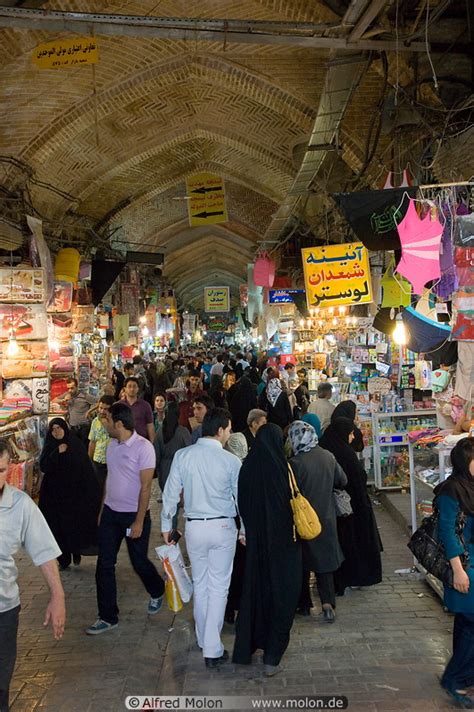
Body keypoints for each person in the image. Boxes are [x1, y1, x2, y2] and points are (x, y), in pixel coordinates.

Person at [161, 408, 241, 669]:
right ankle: (212, 648)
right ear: (220, 430)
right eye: (228, 429)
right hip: (222, 528)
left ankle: (204, 640)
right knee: (219, 587)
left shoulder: (184, 456)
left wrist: (166, 524)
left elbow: (171, 492)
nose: (229, 434)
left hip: (194, 528)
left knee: (201, 584)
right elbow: (241, 500)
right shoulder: (231, 461)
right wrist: (245, 530)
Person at [86, 403, 165, 634]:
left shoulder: (144, 448)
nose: (103, 422)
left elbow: (146, 487)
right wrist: (102, 509)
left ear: (119, 423)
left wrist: (139, 520)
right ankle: (108, 616)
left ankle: (157, 588)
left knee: (138, 561)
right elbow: (110, 479)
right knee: (104, 565)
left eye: (106, 419)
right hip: (111, 514)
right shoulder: (111, 445)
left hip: (134, 515)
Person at [0, 440, 66, 712]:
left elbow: (43, 551)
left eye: (1, 470)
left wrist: (57, 595)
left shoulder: (20, 505)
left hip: (4, 610)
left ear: (9, 468)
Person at [233, 423, 302, 676]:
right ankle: (272, 656)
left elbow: (241, 504)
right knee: (283, 597)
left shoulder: (247, 468)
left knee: (256, 594)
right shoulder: (284, 469)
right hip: (285, 546)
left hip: (255, 547)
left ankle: (248, 646)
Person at [288, 421, 346, 622]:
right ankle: (328, 604)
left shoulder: (294, 463)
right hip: (327, 518)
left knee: (303, 561)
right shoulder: (328, 456)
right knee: (324, 564)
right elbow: (342, 480)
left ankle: (303, 604)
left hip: (303, 520)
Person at [320, 417, 382, 595]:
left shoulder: (329, 448)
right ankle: (353, 576)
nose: (352, 437)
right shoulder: (344, 454)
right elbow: (353, 479)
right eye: (349, 433)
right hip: (349, 507)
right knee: (352, 541)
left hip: (336, 508)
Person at [436, 437, 474, 708]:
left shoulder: (469, 487)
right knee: (471, 624)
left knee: (466, 624)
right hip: (465, 566)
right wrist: (459, 571)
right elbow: (447, 533)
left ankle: (462, 678)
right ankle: (455, 678)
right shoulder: (452, 491)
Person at [39, 418, 101, 571]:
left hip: (73, 497)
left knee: (73, 526)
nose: (56, 432)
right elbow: (44, 466)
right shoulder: (49, 446)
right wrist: (56, 453)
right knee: (57, 527)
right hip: (54, 497)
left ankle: (76, 550)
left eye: (59, 428)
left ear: (65, 428)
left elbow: (84, 469)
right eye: (53, 429)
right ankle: (64, 558)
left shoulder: (75, 444)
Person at [224, 433, 248, 625]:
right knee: (240, 570)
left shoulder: (223, 465)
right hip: (240, 531)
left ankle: (228, 610)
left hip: (225, 526)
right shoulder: (245, 468)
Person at [154, 401, 192, 493]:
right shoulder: (183, 432)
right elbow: (189, 454)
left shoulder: (159, 432)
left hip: (164, 470)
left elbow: (156, 456)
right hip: (180, 470)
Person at [88, 395, 115, 495]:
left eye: (106, 409)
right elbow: (92, 442)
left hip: (113, 462)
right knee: (98, 489)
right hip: (98, 460)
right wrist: (89, 460)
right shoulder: (95, 421)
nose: (102, 411)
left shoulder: (117, 422)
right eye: (100, 408)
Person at [60, 377, 96, 444]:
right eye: (68, 388)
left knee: (84, 449)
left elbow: (99, 402)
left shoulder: (84, 396)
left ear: (77, 387)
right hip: (73, 428)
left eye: (72, 388)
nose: (70, 390)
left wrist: (90, 411)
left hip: (84, 428)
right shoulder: (67, 395)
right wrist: (63, 400)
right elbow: (54, 400)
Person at [120, 377, 155, 442]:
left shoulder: (145, 405)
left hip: (141, 442)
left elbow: (150, 425)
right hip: (123, 442)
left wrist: (152, 443)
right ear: (125, 389)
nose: (132, 389)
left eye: (134, 386)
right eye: (129, 386)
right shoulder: (119, 405)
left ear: (138, 389)